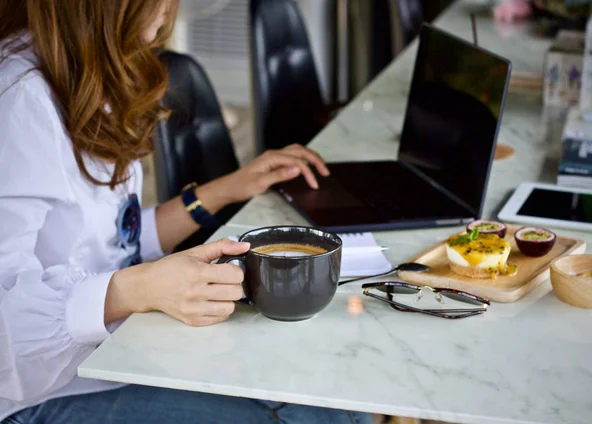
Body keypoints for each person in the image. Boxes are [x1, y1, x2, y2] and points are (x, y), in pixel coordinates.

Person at [0, 1, 372, 423]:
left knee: (331, 391)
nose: (171, 7)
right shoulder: (18, 101)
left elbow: (106, 244)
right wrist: (135, 289)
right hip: (43, 396)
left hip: (117, 354)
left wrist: (224, 190)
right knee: (315, 415)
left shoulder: (82, 69)